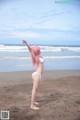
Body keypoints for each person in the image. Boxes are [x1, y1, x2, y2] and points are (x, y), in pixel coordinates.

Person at [22, 40, 44, 110]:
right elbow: (30, 50)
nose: (40, 50)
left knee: (36, 89)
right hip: (37, 75)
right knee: (34, 89)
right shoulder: (36, 57)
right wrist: (26, 44)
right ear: (37, 51)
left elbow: (31, 51)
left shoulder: (38, 56)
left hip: (38, 75)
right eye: (39, 50)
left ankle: (34, 101)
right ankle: (32, 105)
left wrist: (26, 43)